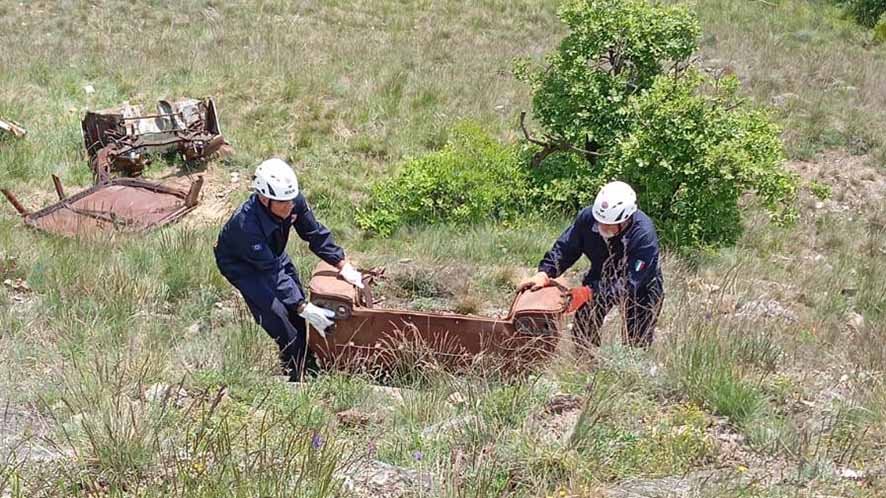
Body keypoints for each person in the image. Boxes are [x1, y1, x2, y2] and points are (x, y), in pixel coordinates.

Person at [214, 158, 364, 380]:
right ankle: (296, 371)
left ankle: (308, 359)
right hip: (243, 265)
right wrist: (303, 306)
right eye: (283, 203)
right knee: (278, 317)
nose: (290, 206)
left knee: (297, 307)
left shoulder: (292, 200)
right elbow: (271, 273)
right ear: (264, 198)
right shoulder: (245, 225)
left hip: (272, 253)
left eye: (291, 200)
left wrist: (342, 264)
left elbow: (314, 233)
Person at [518, 181, 664, 348]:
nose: (602, 227)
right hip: (601, 274)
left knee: (637, 342)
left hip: (640, 286)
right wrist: (544, 273)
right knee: (583, 329)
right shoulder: (588, 218)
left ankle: (629, 361)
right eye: (599, 221)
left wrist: (590, 293)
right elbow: (566, 247)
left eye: (608, 224)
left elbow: (631, 282)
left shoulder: (644, 235)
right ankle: (586, 361)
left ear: (625, 221)